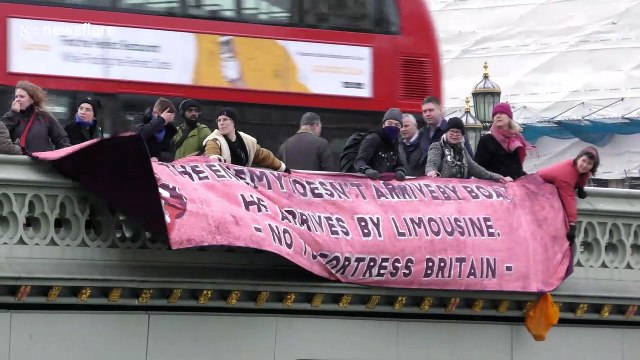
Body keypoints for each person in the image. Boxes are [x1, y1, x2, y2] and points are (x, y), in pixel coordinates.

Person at [537, 147, 599, 247]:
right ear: (578, 158)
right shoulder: (567, 173)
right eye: (583, 161)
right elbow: (568, 198)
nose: (585, 165)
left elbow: (583, 176)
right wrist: (572, 224)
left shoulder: (579, 169)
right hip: (537, 188)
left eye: (589, 164)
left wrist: (580, 188)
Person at [425, 117, 512, 183]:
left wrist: (499, 177)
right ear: (446, 132)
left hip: (460, 196)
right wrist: (432, 172)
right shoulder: (437, 146)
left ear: (462, 136)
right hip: (442, 195)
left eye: (458, 132)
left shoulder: (463, 150)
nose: (454, 135)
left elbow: (476, 169)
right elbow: (432, 163)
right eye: (451, 131)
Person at [203, 107, 289, 172]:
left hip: (242, 186)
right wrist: (213, 159)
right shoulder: (214, 140)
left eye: (225, 119)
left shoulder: (247, 141)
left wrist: (282, 168)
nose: (221, 123)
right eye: (219, 120)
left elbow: (264, 156)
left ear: (234, 122)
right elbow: (211, 152)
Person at [1, 80, 70, 153]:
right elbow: (2, 135)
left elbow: (62, 139)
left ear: (31, 99)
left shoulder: (45, 117)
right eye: (16, 96)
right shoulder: (11, 116)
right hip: (18, 162)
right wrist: (13, 114)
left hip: (40, 162)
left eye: (22, 96)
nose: (18, 99)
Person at [474, 103, 533, 179]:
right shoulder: (486, 139)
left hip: (514, 185)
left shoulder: (515, 139)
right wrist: (499, 177)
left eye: (501, 113)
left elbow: (517, 168)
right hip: (494, 186)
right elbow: (478, 169)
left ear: (509, 117)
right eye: (495, 115)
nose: (498, 116)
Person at [354, 108, 406, 181]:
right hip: (369, 183)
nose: (393, 127)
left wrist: (400, 171)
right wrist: (367, 171)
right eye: (389, 123)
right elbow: (359, 161)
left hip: (385, 186)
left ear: (400, 127)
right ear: (383, 124)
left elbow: (399, 164)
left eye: (397, 125)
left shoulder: (395, 141)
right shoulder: (373, 138)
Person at [132, 97, 177, 162]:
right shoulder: (140, 119)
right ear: (154, 113)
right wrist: (161, 120)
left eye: (169, 121)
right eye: (166, 119)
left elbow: (170, 154)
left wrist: (158, 158)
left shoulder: (169, 129)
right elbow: (140, 134)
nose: (166, 123)